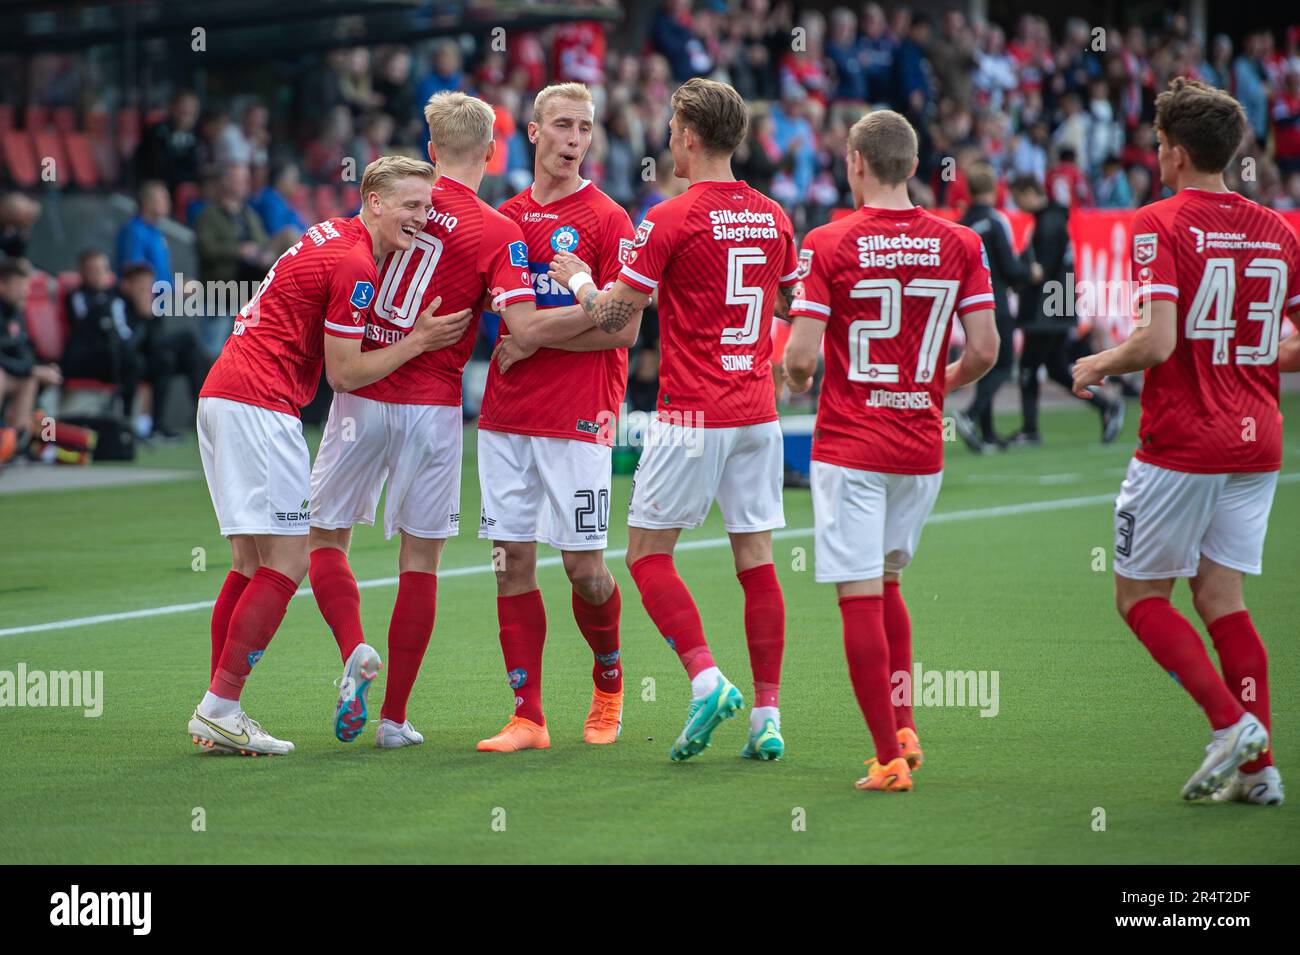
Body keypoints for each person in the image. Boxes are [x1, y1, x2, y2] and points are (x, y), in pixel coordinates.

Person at [548, 78, 797, 763]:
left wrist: (577, 277)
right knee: (757, 558)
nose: (664, 136)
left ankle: (706, 677)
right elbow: (787, 307)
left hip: (691, 413)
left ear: (689, 135)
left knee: (647, 555)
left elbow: (614, 318)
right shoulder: (775, 215)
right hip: (758, 414)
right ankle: (767, 715)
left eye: (670, 126)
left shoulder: (669, 217)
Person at [306, 93, 565, 750]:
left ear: (430, 151)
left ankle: (353, 648)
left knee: (325, 539)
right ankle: (394, 718)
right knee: (419, 558)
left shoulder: (393, 199)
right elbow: (521, 322)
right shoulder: (497, 229)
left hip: (365, 389)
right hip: (434, 406)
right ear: (490, 153)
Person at [188, 155, 470, 756]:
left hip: (224, 395)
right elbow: (344, 374)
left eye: (426, 207)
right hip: (260, 405)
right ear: (373, 201)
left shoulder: (329, 234)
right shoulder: (356, 264)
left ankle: (220, 712)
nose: (420, 218)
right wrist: (419, 340)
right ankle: (221, 704)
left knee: (247, 563)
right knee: (289, 560)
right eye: (408, 205)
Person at [1073, 78, 1300, 805]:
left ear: (1172, 152)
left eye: (1159, 144)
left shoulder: (1159, 222)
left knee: (1139, 594)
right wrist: (1249, 347)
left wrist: (1099, 362)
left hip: (1184, 440)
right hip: (1258, 438)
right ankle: (1260, 771)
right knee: (1221, 596)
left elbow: (1159, 340)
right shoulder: (1278, 228)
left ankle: (1230, 723)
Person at [782, 109, 998, 792]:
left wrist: (792, 378)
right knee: (888, 581)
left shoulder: (828, 240)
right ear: (912, 166)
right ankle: (903, 724)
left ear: (855, 162)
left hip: (852, 442)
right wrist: (938, 384)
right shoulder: (961, 240)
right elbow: (986, 349)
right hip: (919, 446)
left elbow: (802, 358)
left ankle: (887, 757)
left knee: (857, 594)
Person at [473, 83, 638, 752]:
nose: (575, 138)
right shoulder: (504, 220)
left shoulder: (608, 219)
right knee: (511, 559)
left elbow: (622, 327)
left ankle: (608, 678)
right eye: (563, 125)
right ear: (534, 133)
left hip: (581, 416)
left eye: (585, 128)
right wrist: (576, 316)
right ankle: (528, 714)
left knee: (585, 570)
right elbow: (522, 321)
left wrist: (535, 333)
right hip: (508, 414)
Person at [1008, 174, 1125, 445]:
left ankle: (1030, 430)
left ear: (1028, 192)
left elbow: (1042, 272)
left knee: (1028, 367)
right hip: (1058, 305)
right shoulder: (1054, 219)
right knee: (1057, 369)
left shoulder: (1048, 223)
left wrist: (1020, 274)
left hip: (1046, 310)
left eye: (1017, 198)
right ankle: (1105, 406)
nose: (1016, 205)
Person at [954, 162, 1039, 451]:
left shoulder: (962, 223)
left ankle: (987, 432)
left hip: (967, 306)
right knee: (1001, 364)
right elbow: (1009, 265)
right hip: (995, 301)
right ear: (993, 189)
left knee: (982, 363)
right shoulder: (995, 220)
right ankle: (970, 414)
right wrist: (1030, 273)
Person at [115, 181, 173, 289]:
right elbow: (135, 274)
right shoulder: (133, 231)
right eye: (163, 198)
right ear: (147, 202)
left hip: (163, 298)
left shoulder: (156, 232)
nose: (168, 203)